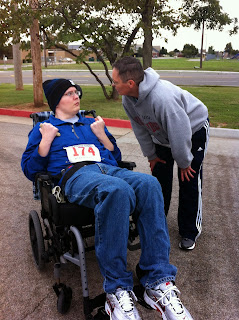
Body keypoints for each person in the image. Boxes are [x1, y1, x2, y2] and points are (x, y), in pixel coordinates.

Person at [21, 78, 193, 320]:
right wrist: (46, 141)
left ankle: (158, 282)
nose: (76, 96)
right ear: (56, 101)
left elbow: (115, 158)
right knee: (116, 190)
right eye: (69, 93)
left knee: (150, 184)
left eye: (76, 92)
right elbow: (30, 170)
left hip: (106, 169)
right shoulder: (43, 129)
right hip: (74, 175)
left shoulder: (91, 124)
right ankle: (117, 290)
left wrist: (102, 136)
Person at [112, 56, 210, 251]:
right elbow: (139, 128)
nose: (113, 85)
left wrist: (184, 162)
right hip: (162, 136)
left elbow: (179, 131)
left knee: (189, 180)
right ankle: (155, 223)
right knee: (158, 182)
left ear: (130, 83)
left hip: (192, 129)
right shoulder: (128, 99)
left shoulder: (162, 97)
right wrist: (151, 155)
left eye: (115, 82)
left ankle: (190, 231)